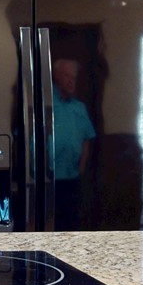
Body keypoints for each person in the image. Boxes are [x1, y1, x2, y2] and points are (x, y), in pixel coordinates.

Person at [47, 56, 95, 229]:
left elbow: (87, 140)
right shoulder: (46, 102)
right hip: (47, 181)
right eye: (67, 76)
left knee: (70, 227)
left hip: (72, 179)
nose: (71, 81)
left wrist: (80, 168)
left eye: (74, 77)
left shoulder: (79, 107)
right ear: (57, 76)